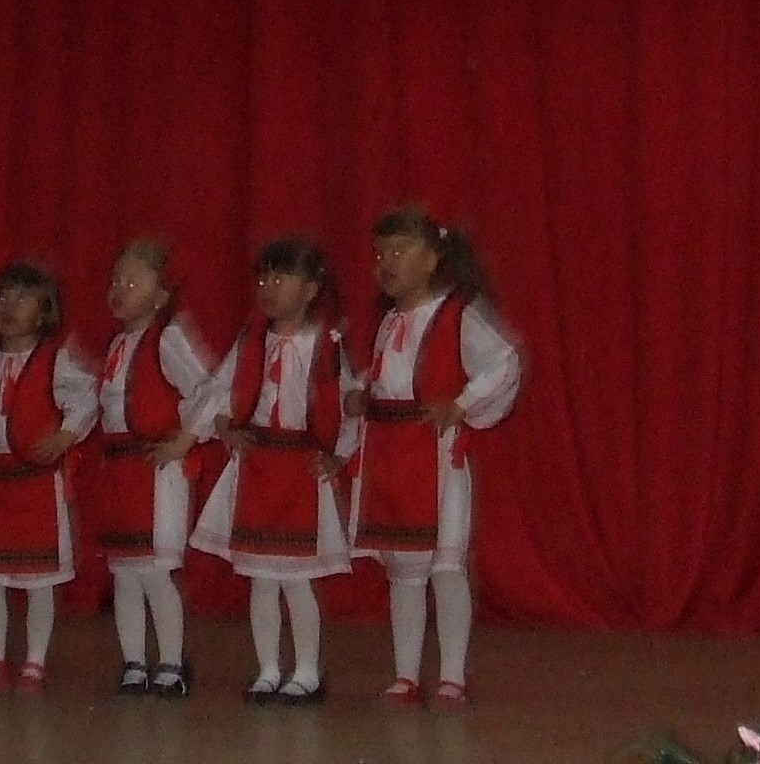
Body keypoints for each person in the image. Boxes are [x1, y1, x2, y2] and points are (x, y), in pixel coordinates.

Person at [349, 206, 522, 709]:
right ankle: (405, 674)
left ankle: (451, 676)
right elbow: (385, 376)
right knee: (403, 570)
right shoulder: (389, 322)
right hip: (391, 453)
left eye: (400, 251)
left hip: (436, 455)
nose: (387, 262)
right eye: (381, 252)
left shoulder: (457, 313)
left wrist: (462, 404)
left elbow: (502, 362)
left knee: (445, 566)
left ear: (432, 259)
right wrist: (360, 391)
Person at [192, 236, 356, 703]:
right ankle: (267, 668)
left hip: (301, 470)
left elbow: (348, 406)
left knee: (297, 579)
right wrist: (224, 424)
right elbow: (220, 389)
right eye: (264, 277)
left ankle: (306, 671)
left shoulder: (326, 346)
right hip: (258, 467)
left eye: (282, 277)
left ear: (311, 289)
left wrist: (339, 455)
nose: (269, 286)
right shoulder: (251, 341)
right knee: (261, 579)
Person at [0, 259, 97, 695]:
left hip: (37, 485)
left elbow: (88, 396)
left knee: (40, 581)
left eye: (22, 299)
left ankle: (35, 662)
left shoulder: (57, 360)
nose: (9, 306)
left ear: (44, 311)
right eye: (2, 297)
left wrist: (66, 434)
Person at [91, 240, 217, 699]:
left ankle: (171, 663)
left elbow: (210, 388)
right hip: (121, 471)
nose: (119, 288)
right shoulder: (117, 344)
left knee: (156, 570)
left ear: (161, 295)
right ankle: (133, 662)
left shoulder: (167, 339)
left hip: (157, 470)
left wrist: (185, 438)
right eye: (115, 280)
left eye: (132, 281)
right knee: (125, 571)